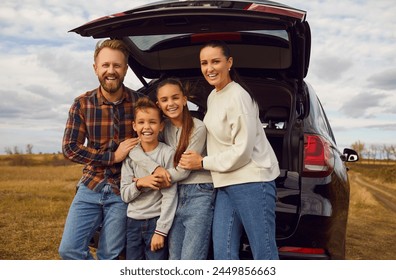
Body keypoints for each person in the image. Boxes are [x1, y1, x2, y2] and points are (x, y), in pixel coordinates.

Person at [178, 40, 280, 260]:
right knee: (223, 254)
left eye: (216, 61)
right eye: (204, 63)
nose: (209, 68)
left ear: (229, 62)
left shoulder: (238, 96)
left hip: (252, 182)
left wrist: (202, 163)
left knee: (264, 253)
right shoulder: (214, 96)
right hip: (224, 183)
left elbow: (242, 151)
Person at [59, 39, 142, 260]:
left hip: (122, 190)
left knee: (110, 256)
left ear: (125, 68)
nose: (111, 71)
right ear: (95, 68)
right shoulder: (82, 104)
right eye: (105, 65)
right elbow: (69, 148)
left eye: (117, 65)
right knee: (69, 250)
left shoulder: (141, 103)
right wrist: (112, 156)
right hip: (90, 185)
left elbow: (155, 141)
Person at [130, 78, 215, 260]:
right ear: (158, 104)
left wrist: (155, 180)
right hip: (173, 195)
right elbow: (134, 150)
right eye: (165, 100)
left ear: (184, 100)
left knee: (191, 258)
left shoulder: (198, 128)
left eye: (175, 98)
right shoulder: (161, 127)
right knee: (174, 258)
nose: (171, 103)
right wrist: (155, 169)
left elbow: (184, 170)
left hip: (199, 193)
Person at [120, 97, 177, 260]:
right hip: (132, 222)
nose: (146, 127)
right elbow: (125, 195)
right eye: (141, 122)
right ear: (134, 126)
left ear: (161, 126)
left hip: (156, 221)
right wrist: (140, 183)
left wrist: (161, 231)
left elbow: (170, 196)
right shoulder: (130, 156)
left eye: (152, 122)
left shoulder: (167, 153)